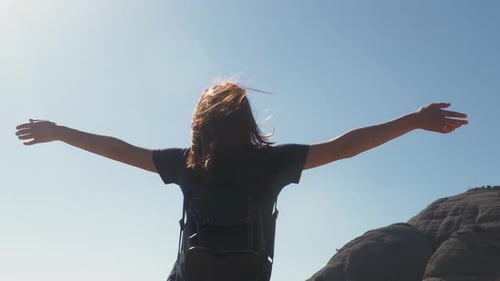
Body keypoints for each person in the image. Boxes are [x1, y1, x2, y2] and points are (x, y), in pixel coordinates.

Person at [15, 81, 468, 281]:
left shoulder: (187, 163)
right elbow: (345, 145)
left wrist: (60, 133)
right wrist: (413, 120)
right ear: (246, 120)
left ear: (200, 124)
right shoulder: (270, 163)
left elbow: (118, 149)